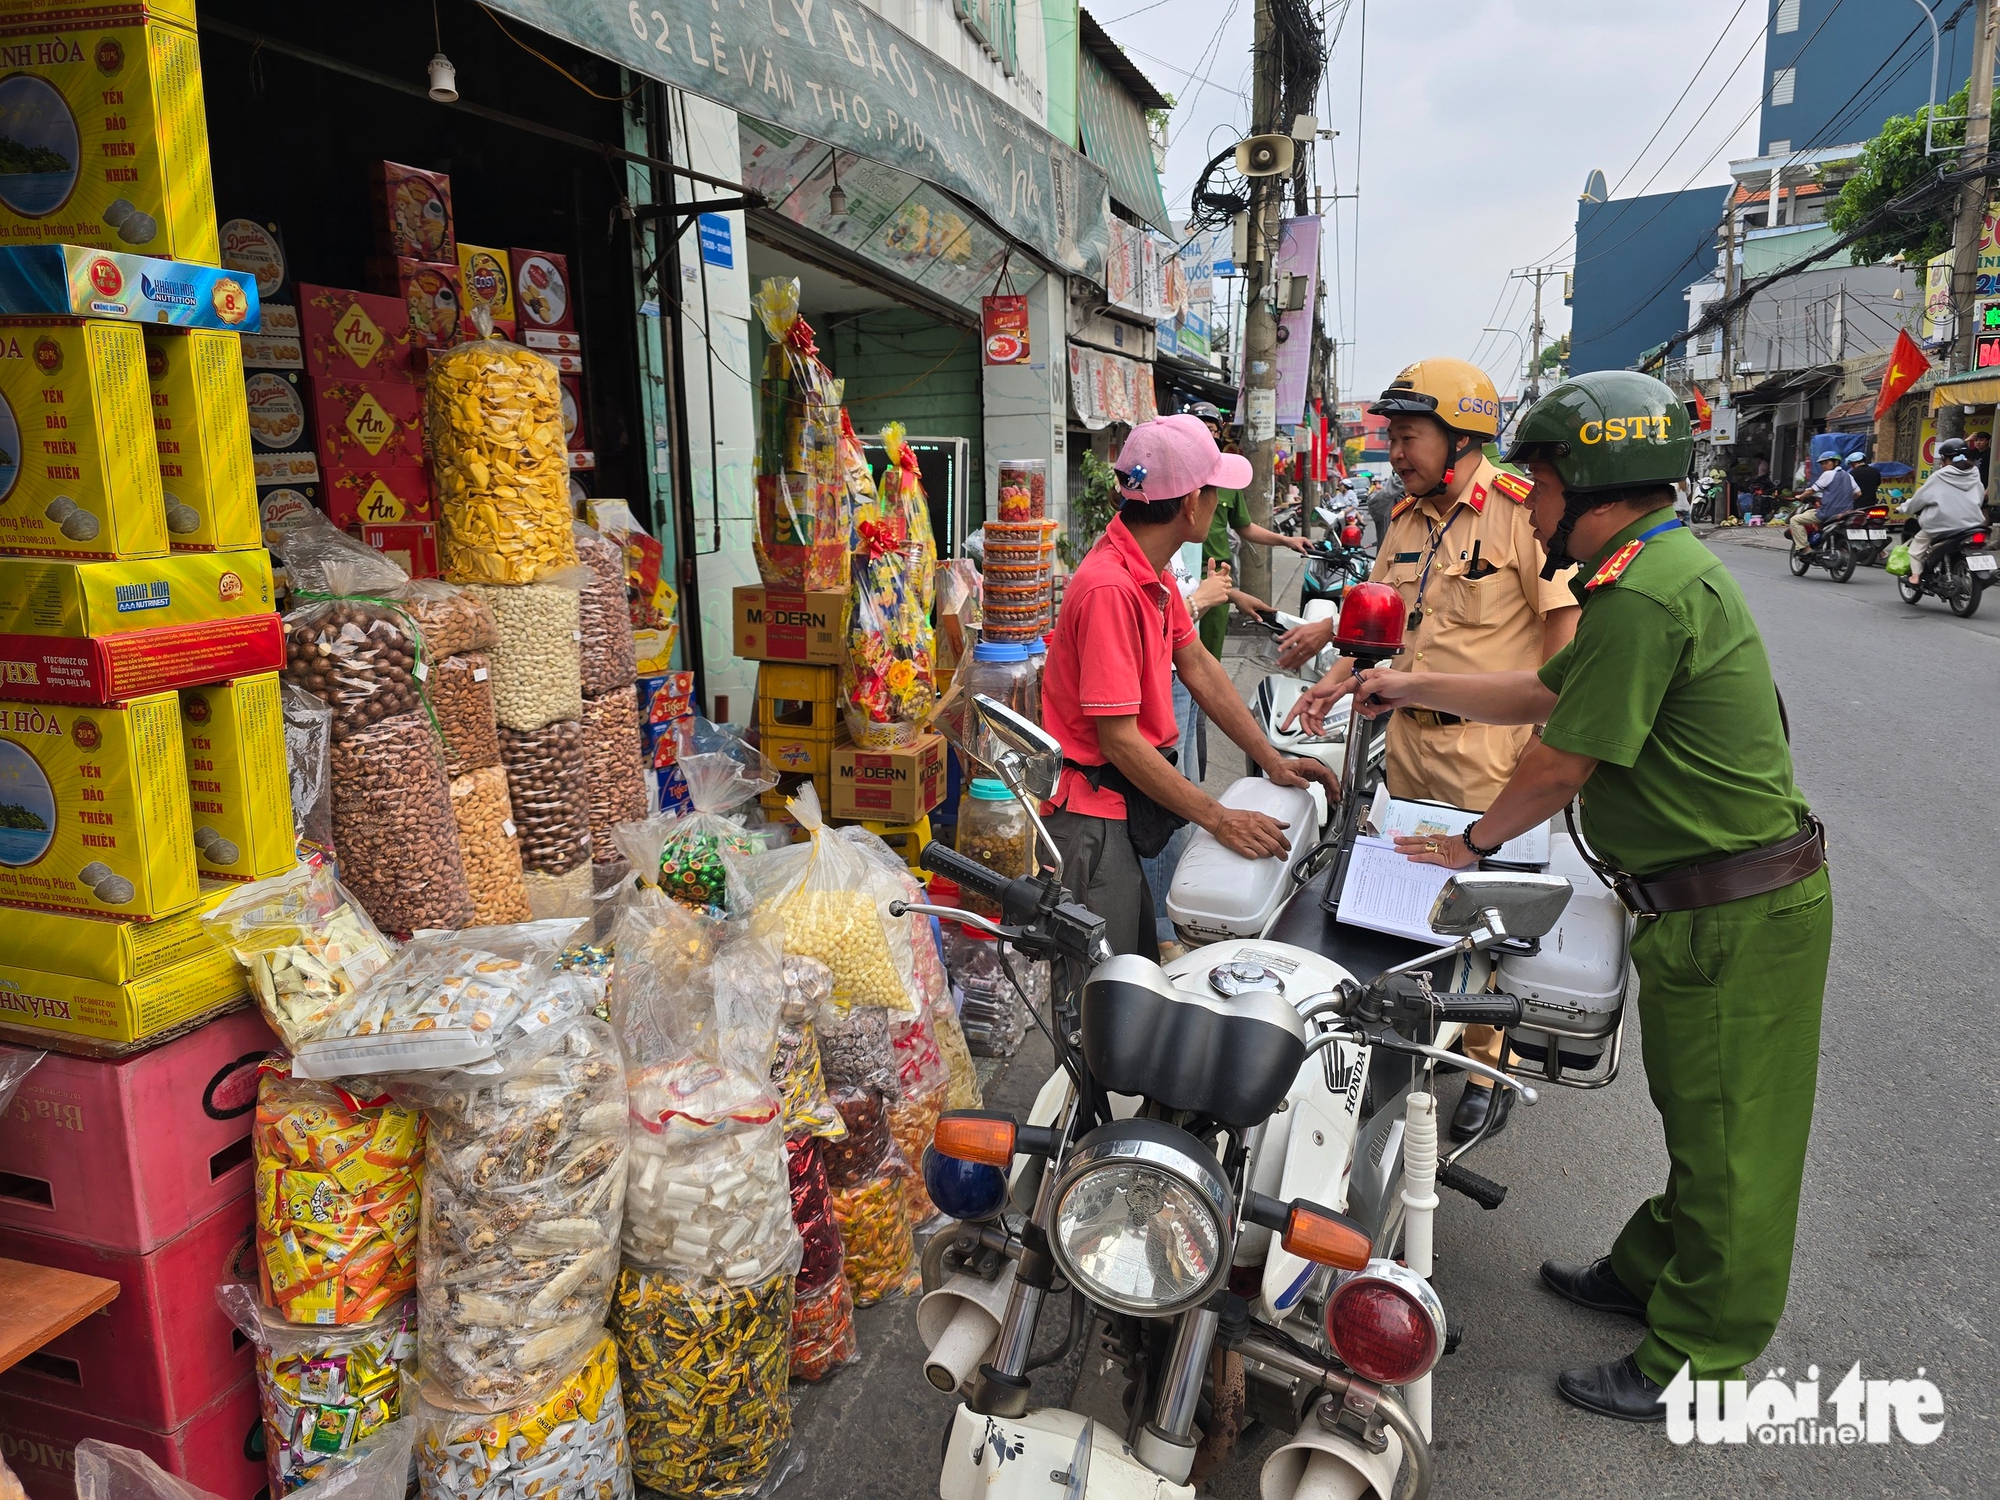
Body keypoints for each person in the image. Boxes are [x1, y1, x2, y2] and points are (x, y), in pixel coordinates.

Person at [1354, 370, 1831, 1423]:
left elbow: (1558, 759)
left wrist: (1467, 843)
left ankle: (1698, 1354)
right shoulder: (1643, 573)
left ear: (1590, 482)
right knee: (1698, 1115)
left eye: (1539, 480)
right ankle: (1650, 1270)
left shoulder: (1645, 594)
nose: (1527, 503)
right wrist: (1407, 682)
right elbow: (1542, 690)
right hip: (1699, 905)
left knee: (1733, 1141)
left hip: (1734, 913)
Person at [1276, 356, 1580, 1140]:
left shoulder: (1519, 513)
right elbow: (1382, 623)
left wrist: (1548, 741)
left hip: (1490, 756)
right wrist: (1334, 681)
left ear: (1461, 436)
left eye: (1409, 436)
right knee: (1410, 902)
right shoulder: (1406, 518)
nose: (1395, 450)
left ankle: (1489, 1062)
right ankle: (1429, 1029)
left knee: (1485, 914)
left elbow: (1563, 634)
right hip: (1407, 748)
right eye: (1394, 435)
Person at [1039, 415, 1334, 959]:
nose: (1219, 502)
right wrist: (1220, 819)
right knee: (1103, 984)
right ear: (1192, 502)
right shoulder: (1110, 588)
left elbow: (1197, 665)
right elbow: (1118, 740)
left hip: (1128, 800)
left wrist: (1271, 759)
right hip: (1092, 814)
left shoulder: (1152, 572)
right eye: (1215, 490)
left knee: (1137, 962)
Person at [1184, 404, 1310, 657]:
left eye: (1211, 430)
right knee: (1176, 651)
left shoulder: (1227, 480)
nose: (1206, 436)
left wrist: (1286, 541)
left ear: (1220, 435)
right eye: (1199, 430)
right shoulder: (1177, 478)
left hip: (1215, 575)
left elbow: (1244, 526)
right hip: (1180, 575)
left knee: (1209, 655)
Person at [1902, 437, 1986, 581]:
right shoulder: (1974, 473)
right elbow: (1980, 497)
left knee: (1917, 545)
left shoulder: (1939, 476)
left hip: (1942, 525)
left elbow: (1920, 499)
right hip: (1972, 524)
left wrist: (1904, 508)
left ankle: (1915, 576)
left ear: (1945, 458)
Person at [1785, 453, 1857, 551]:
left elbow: (1812, 490)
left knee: (1795, 520)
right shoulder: (1848, 476)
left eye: (1826, 463)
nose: (1823, 466)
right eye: (1822, 464)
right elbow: (1858, 493)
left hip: (1828, 512)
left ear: (1836, 462)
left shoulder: (1828, 474)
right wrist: (1845, 499)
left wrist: (1801, 496)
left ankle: (1804, 548)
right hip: (1847, 513)